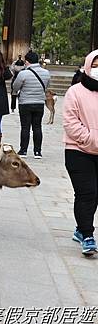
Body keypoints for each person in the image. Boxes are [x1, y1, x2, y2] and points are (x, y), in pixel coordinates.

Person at [63, 49, 98, 256]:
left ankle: (79, 227)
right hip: (78, 150)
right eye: (95, 65)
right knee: (87, 193)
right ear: (87, 65)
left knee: (95, 195)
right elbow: (70, 122)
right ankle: (87, 234)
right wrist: (91, 139)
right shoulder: (75, 92)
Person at [11, 51, 50, 159]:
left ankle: (23, 150)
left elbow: (15, 87)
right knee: (37, 127)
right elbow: (46, 86)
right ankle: (37, 151)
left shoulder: (23, 73)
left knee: (25, 127)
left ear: (27, 61)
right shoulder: (46, 73)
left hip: (25, 103)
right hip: (39, 103)